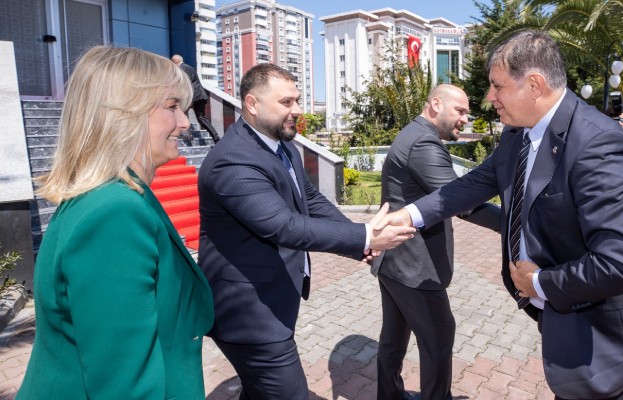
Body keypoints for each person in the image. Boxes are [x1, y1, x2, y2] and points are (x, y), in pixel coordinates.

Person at [377, 30, 623, 400]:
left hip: (599, 331)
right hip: (560, 315)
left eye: (497, 86)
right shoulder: (518, 132)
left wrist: (539, 283)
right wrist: (409, 215)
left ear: (534, 85)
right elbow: (474, 184)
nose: (489, 97)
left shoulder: (597, 141)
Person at [197, 63, 416, 400]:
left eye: (297, 100)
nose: (298, 110)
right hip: (248, 313)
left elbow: (308, 198)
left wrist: (357, 239)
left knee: (259, 391)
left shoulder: (281, 144)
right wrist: (366, 236)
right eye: (286, 102)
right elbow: (282, 226)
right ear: (252, 104)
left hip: (270, 300)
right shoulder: (234, 160)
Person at [17, 46, 214, 399]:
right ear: (123, 115)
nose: (185, 122)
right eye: (172, 107)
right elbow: (124, 384)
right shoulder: (115, 211)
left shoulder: (111, 195)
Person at [372, 84, 501, 400]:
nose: (465, 120)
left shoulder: (413, 133)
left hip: (394, 260)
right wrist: (515, 224)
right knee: (439, 334)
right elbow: (460, 201)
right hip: (414, 267)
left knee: (393, 338)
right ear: (435, 104)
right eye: (460, 111)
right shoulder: (424, 143)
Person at [171, 54, 221, 143]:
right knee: (201, 118)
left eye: (172, 61)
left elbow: (186, 84)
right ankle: (216, 137)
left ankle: (185, 134)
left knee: (180, 114)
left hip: (194, 97)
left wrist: (187, 98)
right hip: (200, 96)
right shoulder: (189, 67)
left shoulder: (182, 68)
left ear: (176, 61)